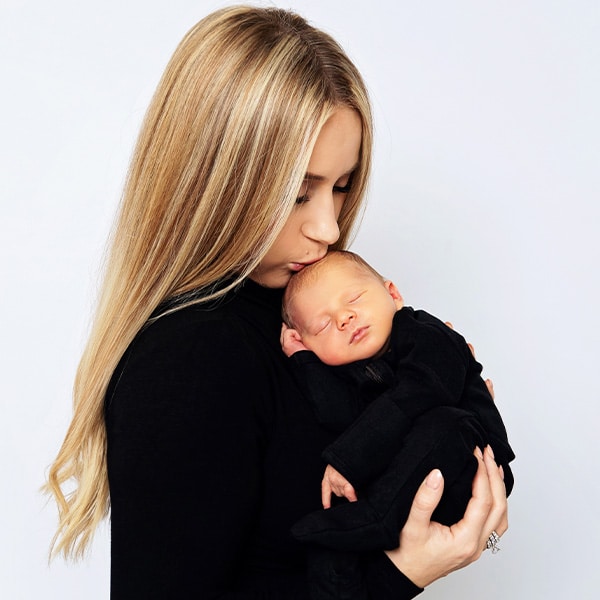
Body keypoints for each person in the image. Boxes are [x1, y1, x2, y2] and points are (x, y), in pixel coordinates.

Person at [44, 6, 509, 599]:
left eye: (341, 186)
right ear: (212, 182)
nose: (328, 227)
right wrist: (398, 574)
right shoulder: (187, 360)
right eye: (298, 193)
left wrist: (433, 420)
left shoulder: (306, 318)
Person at [280, 250, 514, 597]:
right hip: (412, 495)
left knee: (445, 422)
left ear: (393, 294)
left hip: (469, 462)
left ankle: (376, 519)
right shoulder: (347, 373)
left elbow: (423, 392)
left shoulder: (425, 333)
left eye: (354, 299)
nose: (344, 318)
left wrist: (349, 458)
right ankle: (341, 563)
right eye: (323, 325)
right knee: (327, 552)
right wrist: (305, 363)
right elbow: (339, 417)